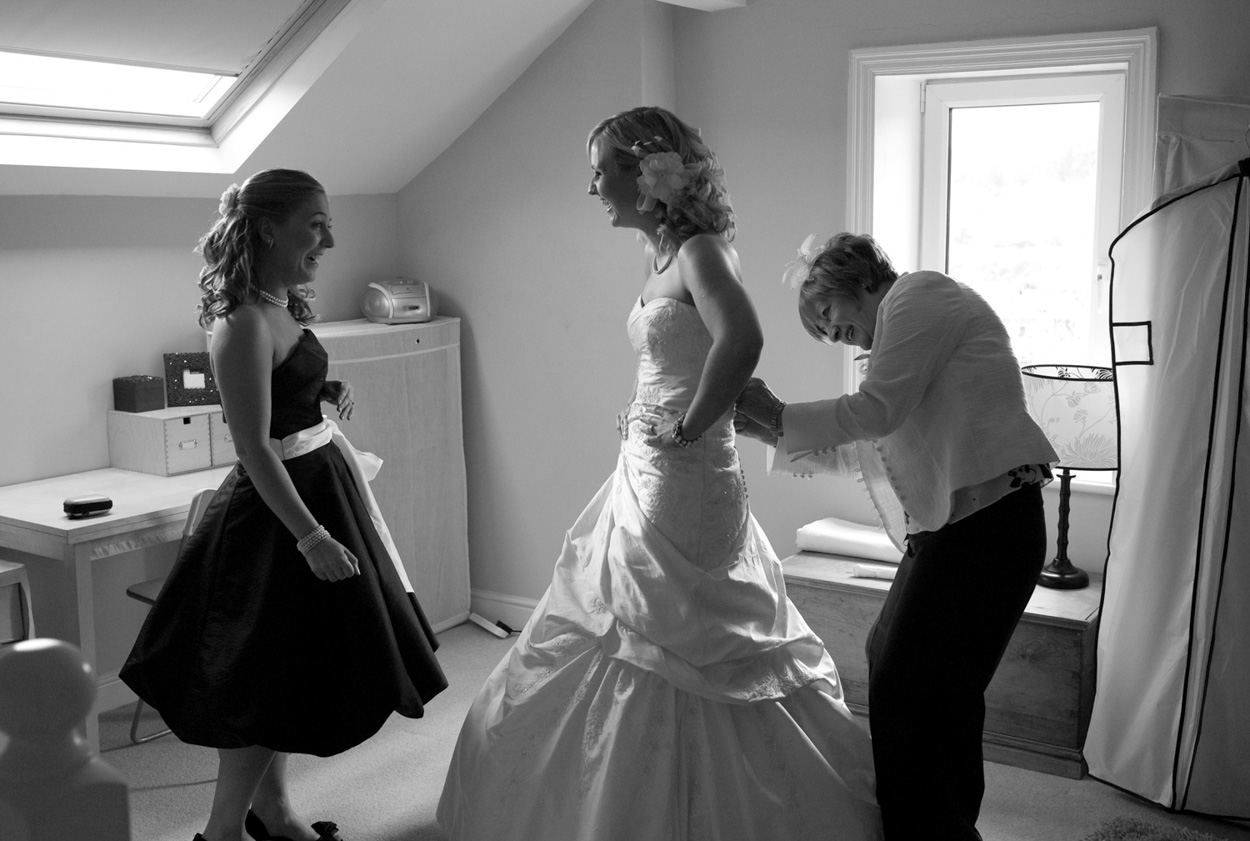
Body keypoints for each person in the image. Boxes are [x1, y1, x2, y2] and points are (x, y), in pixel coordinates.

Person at [436, 107, 881, 841]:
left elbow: (743, 340)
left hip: (682, 472)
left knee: (673, 633)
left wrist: (687, 425)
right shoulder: (663, 258)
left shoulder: (702, 251)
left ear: (646, 173)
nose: (593, 188)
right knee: (612, 620)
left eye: (601, 171)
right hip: (642, 465)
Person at [120, 169, 447, 841]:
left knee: (281, 674)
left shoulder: (279, 304)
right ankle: (219, 832)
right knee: (259, 683)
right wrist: (312, 536)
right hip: (278, 520)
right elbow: (254, 449)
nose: (328, 238)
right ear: (269, 227)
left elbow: (281, 401)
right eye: (316, 223)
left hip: (318, 489)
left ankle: (272, 812)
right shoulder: (240, 323)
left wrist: (321, 394)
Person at [735, 232, 1059, 841]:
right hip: (955, 532)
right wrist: (768, 431)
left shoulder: (921, 295)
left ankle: (929, 831)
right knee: (912, 676)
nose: (832, 336)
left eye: (827, 316)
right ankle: (940, 828)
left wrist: (781, 414)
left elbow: (875, 411)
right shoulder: (899, 352)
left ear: (856, 279)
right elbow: (865, 453)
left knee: (913, 687)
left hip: (990, 527)